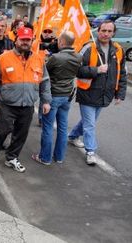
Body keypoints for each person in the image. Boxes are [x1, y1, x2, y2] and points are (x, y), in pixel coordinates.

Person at [0, 27, 52, 173]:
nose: (25, 42)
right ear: (16, 40)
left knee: (21, 134)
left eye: (28, 40)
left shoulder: (38, 59)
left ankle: (12, 157)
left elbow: (45, 82)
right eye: (22, 39)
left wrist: (46, 101)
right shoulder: (3, 59)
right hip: (7, 104)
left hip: (28, 105)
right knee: (2, 131)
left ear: (32, 41)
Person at [68, 20, 127, 165]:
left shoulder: (118, 50)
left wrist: (120, 93)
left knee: (90, 122)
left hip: (105, 95)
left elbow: (122, 73)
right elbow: (76, 69)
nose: (106, 34)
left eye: (109, 31)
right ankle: (90, 151)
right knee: (90, 125)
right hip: (87, 93)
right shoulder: (88, 48)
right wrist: (96, 70)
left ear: (113, 33)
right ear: (98, 31)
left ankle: (73, 136)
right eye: (103, 30)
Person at [32, 31, 82, 165]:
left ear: (62, 42)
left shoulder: (56, 58)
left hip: (53, 95)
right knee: (63, 127)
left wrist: (47, 58)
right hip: (67, 96)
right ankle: (59, 157)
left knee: (48, 127)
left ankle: (45, 157)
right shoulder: (78, 57)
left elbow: (45, 71)